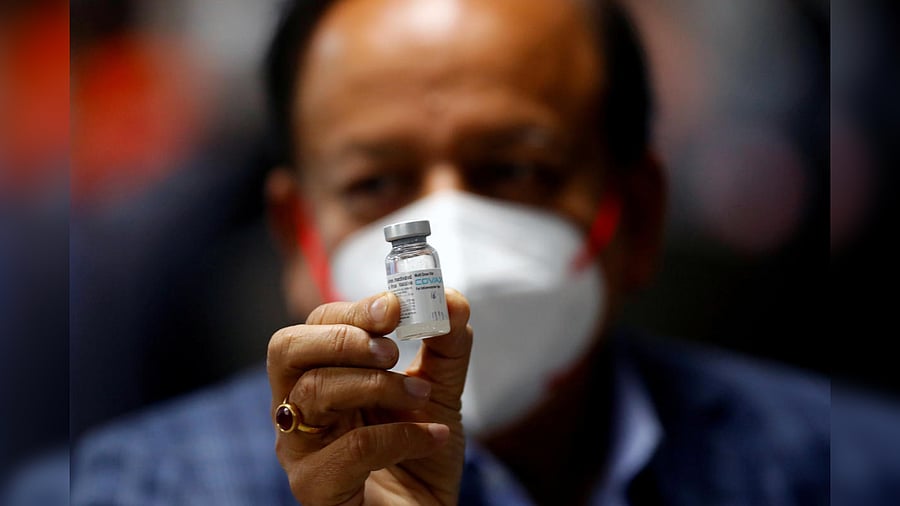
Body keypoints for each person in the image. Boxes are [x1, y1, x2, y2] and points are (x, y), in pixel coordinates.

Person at [8, 0, 847, 504]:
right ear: (295, 236)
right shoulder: (124, 492)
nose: (444, 236)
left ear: (638, 215)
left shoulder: (841, 471)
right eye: (378, 183)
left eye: (514, 170)